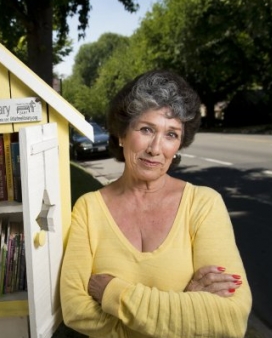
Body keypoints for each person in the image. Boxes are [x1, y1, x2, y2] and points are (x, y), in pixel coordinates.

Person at [60, 69, 252, 338]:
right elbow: (75, 310)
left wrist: (113, 293)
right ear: (121, 134)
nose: (156, 148)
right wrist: (182, 309)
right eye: (146, 129)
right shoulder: (88, 209)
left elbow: (231, 318)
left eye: (171, 135)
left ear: (179, 145)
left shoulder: (204, 204)